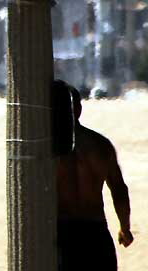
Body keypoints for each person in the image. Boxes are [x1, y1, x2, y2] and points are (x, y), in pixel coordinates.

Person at [56, 83, 134, 270]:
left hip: (64, 232)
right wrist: (125, 227)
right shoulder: (101, 145)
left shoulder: (49, 148)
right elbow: (119, 189)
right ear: (79, 109)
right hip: (95, 229)